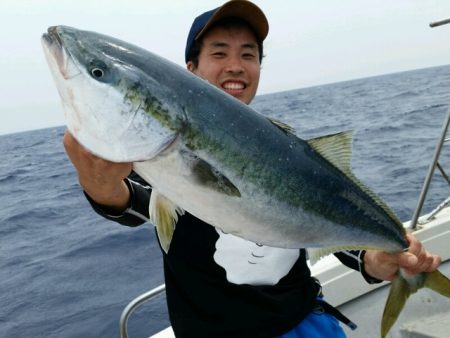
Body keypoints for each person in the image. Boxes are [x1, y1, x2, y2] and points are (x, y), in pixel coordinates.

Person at [63, 1, 442, 337]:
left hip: (308, 324)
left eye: (248, 54)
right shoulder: (153, 155)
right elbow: (129, 201)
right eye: (219, 52)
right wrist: (98, 184)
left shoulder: (282, 148)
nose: (235, 66)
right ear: (191, 69)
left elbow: (319, 222)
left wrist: (376, 260)